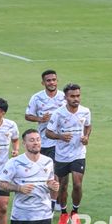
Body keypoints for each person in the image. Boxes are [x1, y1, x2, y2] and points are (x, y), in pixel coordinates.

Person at [45, 83, 92, 224]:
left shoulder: (85, 111)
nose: (76, 99)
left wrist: (86, 136)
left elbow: (88, 126)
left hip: (79, 153)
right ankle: (64, 213)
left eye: (78, 95)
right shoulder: (58, 114)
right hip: (62, 155)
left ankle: (75, 212)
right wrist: (60, 136)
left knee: (77, 184)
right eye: (72, 96)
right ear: (65, 97)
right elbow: (48, 132)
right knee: (63, 186)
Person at [25, 70, 66, 211]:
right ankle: (51, 201)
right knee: (47, 173)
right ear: (43, 83)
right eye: (48, 80)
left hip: (60, 142)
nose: (52, 82)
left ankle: (55, 204)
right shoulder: (37, 98)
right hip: (44, 141)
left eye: (54, 79)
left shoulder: (64, 97)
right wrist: (40, 119)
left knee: (58, 174)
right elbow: (28, 115)